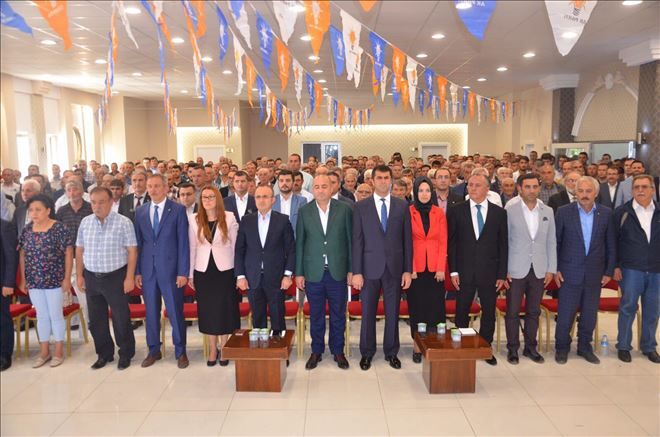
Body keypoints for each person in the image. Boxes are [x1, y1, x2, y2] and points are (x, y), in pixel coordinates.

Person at [352, 165, 413, 371]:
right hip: (369, 268)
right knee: (368, 312)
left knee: (392, 312)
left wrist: (407, 270)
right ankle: (367, 353)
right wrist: (357, 271)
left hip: (394, 268)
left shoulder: (402, 206)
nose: (383, 181)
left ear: (391, 180)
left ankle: (391, 352)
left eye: (387, 178)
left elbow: (407, 241)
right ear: (372, 181)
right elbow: (357, 241)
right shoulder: (361, 206)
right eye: (379, 178)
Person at [554, 176, 616, 364]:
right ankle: (562, 348)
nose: (584, 195)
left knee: (589, 313)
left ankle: (584, 347)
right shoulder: (564, 212)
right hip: (568, 271)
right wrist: (556, 268)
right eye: (580, 191)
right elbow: (556, 242)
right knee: (565, 313)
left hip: (594, 273)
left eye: (588, 191)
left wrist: (608, 271)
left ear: (596, 193)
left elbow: (611, 244)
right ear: (575, 192)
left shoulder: (606, 213)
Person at [447, 173, 508, 365]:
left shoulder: (499, 213)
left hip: (490, 272)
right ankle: (462, 347)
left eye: (477, 185)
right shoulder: (456, 210)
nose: (472, 188)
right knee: (462, 311)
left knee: (488, 312)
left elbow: (503, 246)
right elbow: (452, 244)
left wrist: (502, 274)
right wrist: (453, 271)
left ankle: (485, 347)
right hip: (464, 271)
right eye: (470, 185)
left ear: (487, 189)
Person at [76, 187, 137, 370]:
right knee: (96, 320)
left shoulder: (123, 222)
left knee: (120, 318)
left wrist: (129, 277)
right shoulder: (85, 222)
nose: (97, 206)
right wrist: (79, 275)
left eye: (102, 202)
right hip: (92, 277)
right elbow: (79, 250)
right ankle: (104, 354)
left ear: (111, 202)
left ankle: (125, 353)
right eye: (94, 202)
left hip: (116, 276)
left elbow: (132, 251)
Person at [295, 175, 353, 370]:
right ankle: (316, 351)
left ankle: (338, 351)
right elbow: (300, 243)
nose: (320, 190)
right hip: (313, 272)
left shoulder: (344, 209)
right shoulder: (304, 211)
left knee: (338, 314)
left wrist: (352, 269)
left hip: (338, 272)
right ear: (313, 189)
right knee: (316, 315)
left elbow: (350, 242)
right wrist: (299, 273)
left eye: (324, 186)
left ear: (332, 188)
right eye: (317, 187)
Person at [135, 173, 190, 369]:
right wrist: (138, 271)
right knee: (151, 312)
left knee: (175, 312)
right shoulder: (140, 211)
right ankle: (153, 350)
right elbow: (138, 244)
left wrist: (183, 272)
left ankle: (180, 351)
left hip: (171, 271)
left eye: (157, 186)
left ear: (166, 188)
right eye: (150, 186)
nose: (153, 189)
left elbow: (183, 243)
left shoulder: (177, 210)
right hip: (148, 271)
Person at [504, 174, 556, 364]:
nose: (532, 190)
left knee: (534, 311)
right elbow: (504, 241)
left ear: (539, 188)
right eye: (527, 187)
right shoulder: (510, 210)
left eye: (535, 187)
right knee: (512, 311)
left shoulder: (548, 211)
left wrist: (551, 268)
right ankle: (512, 348)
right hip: (515, 268)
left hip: (539, 269)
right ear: (519, 188)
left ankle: (530, 347)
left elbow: (551, 241)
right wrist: (504, 269)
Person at [18, 194, 73, 368]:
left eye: (38, 210)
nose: (34, 213)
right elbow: (22, 254)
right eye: (31, 210)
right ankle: (44, 352)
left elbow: (68, 253)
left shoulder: (59, 228)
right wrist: (24, 279)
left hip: (55, 279)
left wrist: (66, 278)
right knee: (41, 316)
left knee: (55, 315)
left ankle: (58, 351)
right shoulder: (27, 230)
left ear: (48, 210)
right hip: (34, 279)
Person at [188, 185, 239, 366]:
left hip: (225, 271)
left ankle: (224, 347)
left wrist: (238, 273)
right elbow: (192, 247)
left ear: (217, 199)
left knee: (224, 309)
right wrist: (190, 274)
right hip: (203, 271)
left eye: (211, 197)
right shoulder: (194, 219)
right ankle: (212, 349)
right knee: (208, 311)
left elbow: (236, 247)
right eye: (204, 197)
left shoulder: (229, 217)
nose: (208, 200)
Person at [234, 185, 295, 335]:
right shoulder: (246, 220)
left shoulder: (282, 220)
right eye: (258, 197)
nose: (261, 200)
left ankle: (278, 345)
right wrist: (240, 276)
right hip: (252, 276)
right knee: (258, 318)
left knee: (278, 316)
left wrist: (287, 275)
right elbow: (239, 250)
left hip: (276, 276)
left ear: (273, 200)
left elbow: (291, 250)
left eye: (265, 197)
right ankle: (260, 346)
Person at [613, 175, 659, 363]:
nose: (640, 190)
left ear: (653, 190)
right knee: (628, 307)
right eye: (637, 187)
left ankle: (649, 346)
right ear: (631, 191)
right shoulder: (622, 212)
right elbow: (613, 241)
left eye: (645, 187)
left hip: (656, 269)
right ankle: (624, 346)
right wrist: (615, 265)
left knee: (653, 310)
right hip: (631, 269)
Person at [408, 177, 447, 363]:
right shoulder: (409, 211)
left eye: (427, 190)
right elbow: (406, 242)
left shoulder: (438, 212)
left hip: (434, 271)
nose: (424, 194)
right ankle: (417, 346)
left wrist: (440, 268)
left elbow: (443, 241)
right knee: (417, 309)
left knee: (435, 309)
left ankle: (433, 344)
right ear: (415, 192)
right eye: (421, 190)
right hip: (415, 270)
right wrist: (411, 268)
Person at [0, 219, 18, 371]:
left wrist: (8, 282)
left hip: (2, 284)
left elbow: (11, 257)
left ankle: (5, 355)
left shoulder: (5, 226)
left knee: (2, 319)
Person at [273, 169, 307, 235]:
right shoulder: (272, 201)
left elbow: (304, 225)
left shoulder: (302, 201)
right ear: (278, 183)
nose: (284, 183)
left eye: (288, 180)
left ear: (293, 182)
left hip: (295, 239)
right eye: (281, 181)